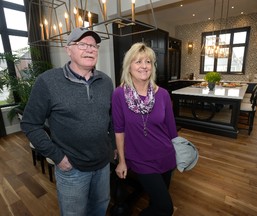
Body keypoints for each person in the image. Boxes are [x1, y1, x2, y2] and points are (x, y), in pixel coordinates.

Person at [21, 27, 115, 216]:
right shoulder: (47, 81)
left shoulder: (106, 81)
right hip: (72, 169)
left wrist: (112, 146)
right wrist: (58, 157)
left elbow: (112, 119)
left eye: (94, 46)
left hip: (103, 165)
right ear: (68, 49)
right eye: (82, 44)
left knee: (100, 208)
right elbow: (30, 124)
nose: (90, 49)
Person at [112, 42, 178, 216]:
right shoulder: (119, 94)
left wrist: (178, 153)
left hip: (166, 156)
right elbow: (118, 129)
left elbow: (171, 129)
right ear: (129, 66)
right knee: (166, 208)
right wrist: (122, 160)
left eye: (148, 62)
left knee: (157, 203)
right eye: (138, 61)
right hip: (140, 159)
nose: (144, 66)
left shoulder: (162, 94)